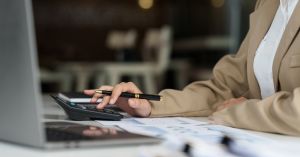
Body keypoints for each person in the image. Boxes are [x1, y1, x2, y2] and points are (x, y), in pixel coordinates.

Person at [85, 0, 300, 136]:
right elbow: (224, 88)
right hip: (264, 146)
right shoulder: (268, 5)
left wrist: (239, 113)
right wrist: (149, 104)